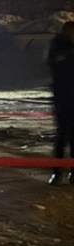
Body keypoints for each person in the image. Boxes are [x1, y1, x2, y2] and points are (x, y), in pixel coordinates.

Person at [47, 21, 74, 186]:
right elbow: (55, 65)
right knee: (62, 136)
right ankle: (57, 171)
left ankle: (72, 171)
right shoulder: (58, 46)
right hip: (63, 98)